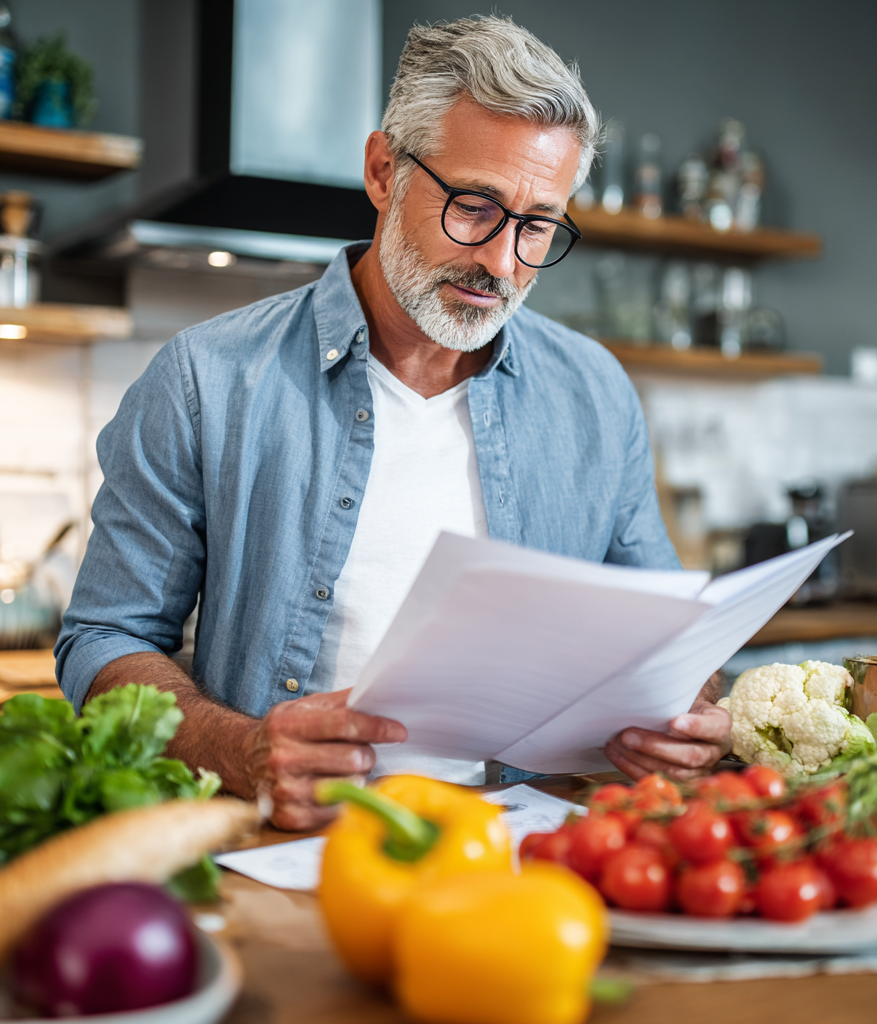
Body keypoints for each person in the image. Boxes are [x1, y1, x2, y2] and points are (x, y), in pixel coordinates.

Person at [56, 16, 731, 830]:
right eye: (475, 206)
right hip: (292, 848)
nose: (502, 261)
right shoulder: (207, 380)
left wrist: (686, 709)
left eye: (538, 225)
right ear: (383, 171)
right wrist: (242, 749)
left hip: (540, 850)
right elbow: (101, 639)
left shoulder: (596, 391)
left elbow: (666, 637)